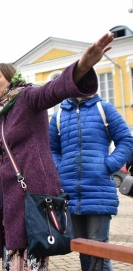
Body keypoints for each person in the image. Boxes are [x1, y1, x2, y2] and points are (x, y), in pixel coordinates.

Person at [0, 33, 115, 271]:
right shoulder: (1, 114)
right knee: (14, 259)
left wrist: (82, 67)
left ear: (10, 78)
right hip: (11, 198)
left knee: (32, 256)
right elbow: (8, 157)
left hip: (32, 194)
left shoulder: (27, 96)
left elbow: (52, 90)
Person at [49, 94, 133, 271]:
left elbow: (126, 140)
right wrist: (60, 168)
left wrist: (107, 165)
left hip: (98, 191)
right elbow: (51, 149)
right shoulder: (59, 116)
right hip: (71, 193)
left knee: (99, 250)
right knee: (84, 249)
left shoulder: (104, 109)